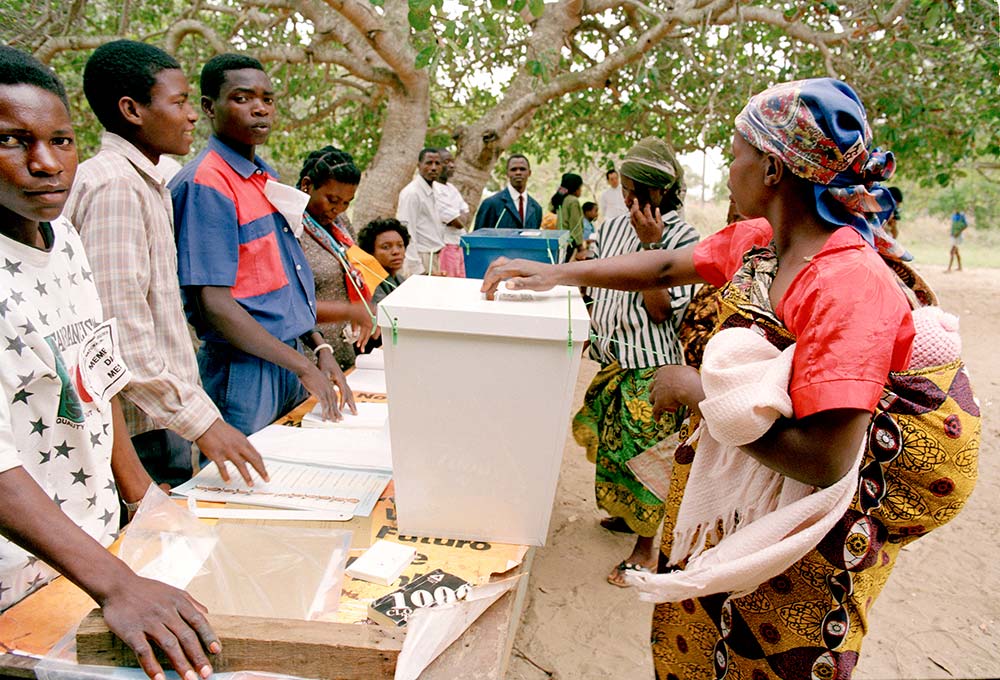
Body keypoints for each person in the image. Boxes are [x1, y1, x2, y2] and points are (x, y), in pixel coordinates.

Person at [482, 78, 969, 679]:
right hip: (748, 506)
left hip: (804, 537)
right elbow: (662, 263)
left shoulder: (846, 284)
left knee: (773, 655)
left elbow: (827, 458)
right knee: (702, 634)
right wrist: (554, 275)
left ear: (770, 167)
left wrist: (700, 392)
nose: (729, 165)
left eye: (735, 151)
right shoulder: (765, 242)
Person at [0, 44, 219, 680]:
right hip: (19, 577)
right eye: (14, 142)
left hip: (88, 554)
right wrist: (119, 584)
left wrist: (142, 496)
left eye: (61, 141)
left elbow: (96, 376)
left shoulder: (62, 237)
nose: (46, 164)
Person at [66, 40, 267, 491]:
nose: (192, 115)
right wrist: (203, 423)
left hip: (162, 418)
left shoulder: (146, 183)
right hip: (145, 429)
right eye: (178, 102)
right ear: (132, 110)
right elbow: (119, 337)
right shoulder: (117, 186)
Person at [170, 54, 347, 436]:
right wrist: (302, 366)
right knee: (242, 487)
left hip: (288, 356)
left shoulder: (263, 176)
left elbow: (281, 284)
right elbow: (215, 305)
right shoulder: (208, 183)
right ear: (208, 107)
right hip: (244, 367)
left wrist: (319, 348)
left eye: (267, 99)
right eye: (242, 98)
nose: (259, 109)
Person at [574, 138, 699, 587]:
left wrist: (652, 247)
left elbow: (662, 310)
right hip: (614, 356)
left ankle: (647, 552)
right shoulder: (609, 228)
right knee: (616, 449)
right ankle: (627, 519)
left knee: (647, 457)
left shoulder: (684, 239)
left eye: (635, 190)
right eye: (624, 188)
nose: (627, 198)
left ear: (660, 193)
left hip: (652, 366)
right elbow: (600, 288)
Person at [297, 145, 377, 369]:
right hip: (309, 358)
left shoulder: (340, 225)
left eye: (346, 203)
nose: (338, 209)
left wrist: (366, 308)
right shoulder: (289, 229)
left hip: (343, 351)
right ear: (307, 185)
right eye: (332, 200)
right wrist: (352, 311)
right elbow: (290, 303)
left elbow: (358, 270)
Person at [398, 147, 444, 276]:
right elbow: (407, 232)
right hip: (420, 258)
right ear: (419, 165)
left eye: (437, 163)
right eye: (429, 163)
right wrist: (416, 268)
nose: (433, 168)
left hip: (433, 257)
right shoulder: (412, 193)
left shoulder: (436, 190)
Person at [473, 154, 542, 230]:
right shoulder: (491, 204)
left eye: (522, 169)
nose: (518, 172)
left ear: (529, 173)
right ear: (507, 174)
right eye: (513, 169)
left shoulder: (536, 209)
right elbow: (477, 238)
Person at [434, 147, 469, 277]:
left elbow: (465, 215)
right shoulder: (434, 190)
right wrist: (458, 216)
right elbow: (458, 222)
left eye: (452, 161)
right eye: (446, 162)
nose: (452, 165)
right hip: (445, 246)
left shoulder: (451, 188)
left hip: (459, 245)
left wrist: (459, 216)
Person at [551, 172, 586, 259]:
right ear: (575, 188)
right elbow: (575, 224)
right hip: (571, 241)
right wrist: (580, 245)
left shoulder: (560, 199)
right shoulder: (573, 201)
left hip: (561, 238)